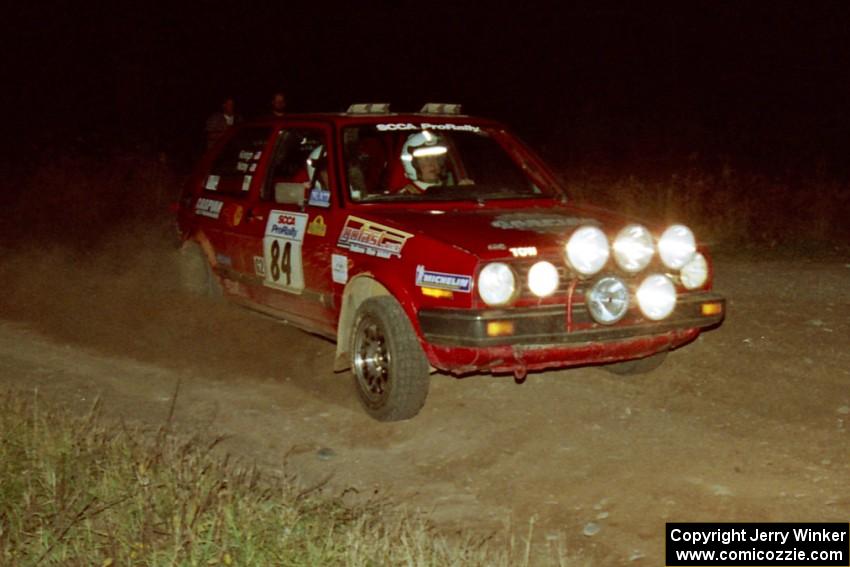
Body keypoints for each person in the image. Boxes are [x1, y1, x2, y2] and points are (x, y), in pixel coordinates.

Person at [399, 131, 472, 194]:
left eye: (437, 159)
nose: (433, 164)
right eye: (426, 158)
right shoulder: (403, 198)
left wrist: (467, 192)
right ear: (412, 164)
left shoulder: (452, 190)